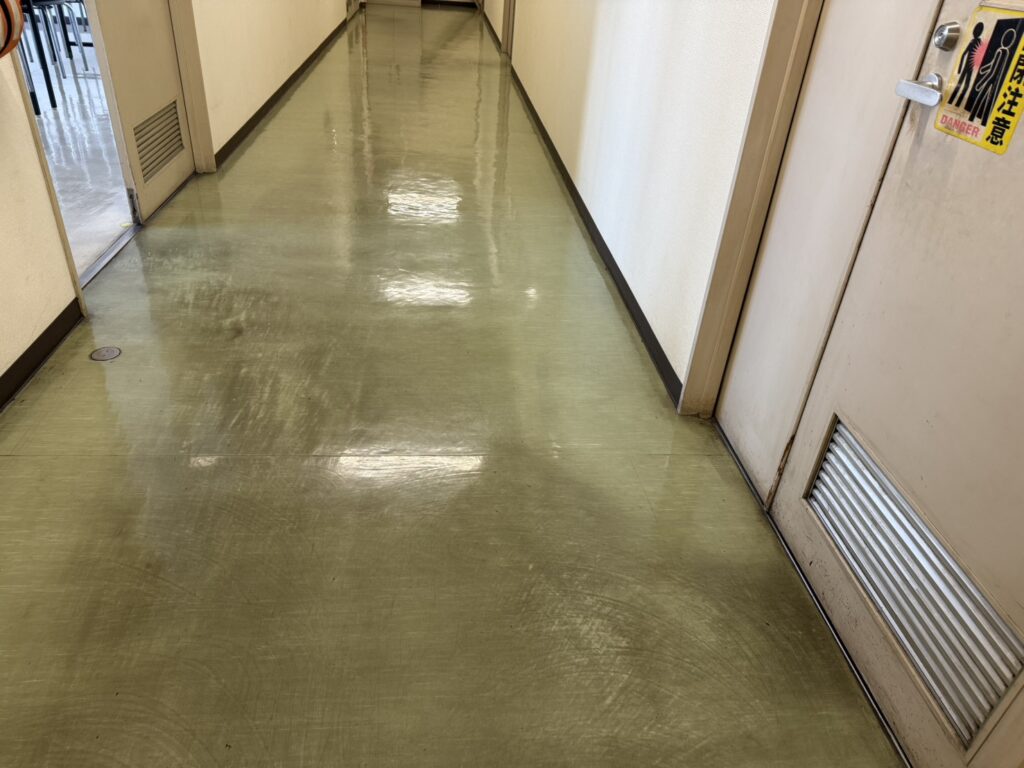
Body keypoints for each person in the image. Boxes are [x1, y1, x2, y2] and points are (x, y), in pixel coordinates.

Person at [952, 22, 985, 108]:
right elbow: (964, 54)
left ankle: (956, 102)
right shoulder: (975, 42)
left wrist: (960, 68)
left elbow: (965, 54)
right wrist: (959, 68)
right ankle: (955, 102)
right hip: (969, 67)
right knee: (962, 84)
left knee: (963, 84)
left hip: (970, 67)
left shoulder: (977, 42)